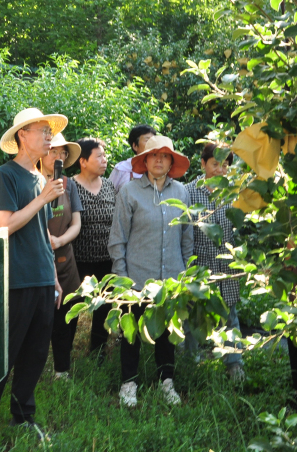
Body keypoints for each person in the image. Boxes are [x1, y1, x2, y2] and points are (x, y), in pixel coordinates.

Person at [0, 107, 66, 440]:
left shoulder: (39, 178)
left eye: (50, 132)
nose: (50, 137)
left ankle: (23, 417)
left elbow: (42, 233)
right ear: (23, 135)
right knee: (6, 354)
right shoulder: (5, 175)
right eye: (43, 131)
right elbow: (5, 225)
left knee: (35, 353)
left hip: (43, 277)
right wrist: (43, 197)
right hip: (17, 278)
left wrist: (54, 277)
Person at [109, 135, 193, 407]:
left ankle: (166, 382)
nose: (159, 160)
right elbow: (118, 238)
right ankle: (128, 383)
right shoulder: (129, 192)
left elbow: (186, 237)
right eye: (154, 155)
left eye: (165, 156)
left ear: (171, 162)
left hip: (171, 279)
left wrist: (186, 275)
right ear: (144, 161)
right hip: (136, 278)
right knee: (131, 333)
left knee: (168, 334)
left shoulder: (181, 192)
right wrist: (121, 279)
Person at [186, 141, 245, 380]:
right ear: (203, 164)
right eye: (215, 164)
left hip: (226, 265)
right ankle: (190, 364)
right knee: (193, 316)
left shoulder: (233, 193)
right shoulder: (189, 192)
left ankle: (234, 364)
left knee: (230, 315)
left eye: (225, 165)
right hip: (199, 265)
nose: (220, 170)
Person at [41, 133, 83, 380]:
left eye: (63, 153)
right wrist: (47, 241)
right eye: (54, 151)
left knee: (66, 317)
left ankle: (62, 369)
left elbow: (76, 223)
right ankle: (35, 368)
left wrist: (59, 241)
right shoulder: (33, 181)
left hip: (65, 260)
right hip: (39, 259)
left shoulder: (69, 185)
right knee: (39, 318)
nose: (58, 156)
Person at [71, 136, 117, 359]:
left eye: (104, 156)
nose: (104, 160)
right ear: (83, 161)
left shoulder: (109, 186)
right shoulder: (70, 186)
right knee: (73, 306)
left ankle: (98, 353)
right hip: (78, 260)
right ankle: (64, 354)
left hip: (106, 260)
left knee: (104, 307)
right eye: (99, 156)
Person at [108, 124, 156, 192]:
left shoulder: (160, 169)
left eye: (154, 141)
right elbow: (107, 195)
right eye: (147, 140)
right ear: (135, 146)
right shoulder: (121, 169)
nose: (152, 144)